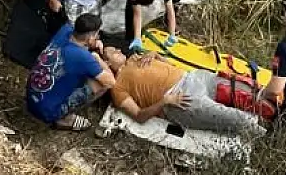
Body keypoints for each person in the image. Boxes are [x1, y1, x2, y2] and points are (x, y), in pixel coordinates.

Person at [103, 48, 266, 136]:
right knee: (235, 118)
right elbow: (139, 116)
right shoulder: (118, 88)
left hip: (192, 77)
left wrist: (156, 55)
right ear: (108, 63)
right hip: (179, 99)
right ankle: (268, 134)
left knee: (241, 89)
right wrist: (165, 102)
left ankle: (274, 108)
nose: (119, 50)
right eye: (114, 52)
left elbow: (168, 66)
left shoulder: (135, 57)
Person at [25, 14, 115, 131]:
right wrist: (97, 57)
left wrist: (92, 44)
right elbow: (111, 82)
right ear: (91, 37)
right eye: (97, 34)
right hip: (46, 112)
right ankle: (62, 118)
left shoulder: (65, 30)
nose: (98, 37)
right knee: (101, 85)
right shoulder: (84, 57)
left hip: (32, 96)